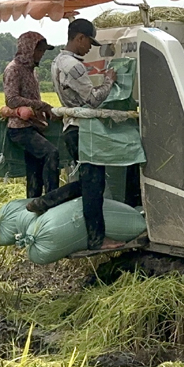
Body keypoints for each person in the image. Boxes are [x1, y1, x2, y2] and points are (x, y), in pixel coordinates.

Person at [46, 18, 122, 251]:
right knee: (93, 184)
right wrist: (109, 81)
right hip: (83, 129)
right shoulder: (75, 67)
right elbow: (93, 99)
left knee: (88, 181)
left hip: (70, 128)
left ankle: (46, 201)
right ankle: (97, 239)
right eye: (89, 42)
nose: (90, 47)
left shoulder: (58, 62)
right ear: (79, 38)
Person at [3, 31, 56, 200]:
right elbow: (11, 100)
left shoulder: (32, 70)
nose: (41, 55)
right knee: (51, 153)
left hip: (34, 125)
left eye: (42, 52)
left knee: (35, 169)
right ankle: (51, 199)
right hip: (20, 128)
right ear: (28, 49)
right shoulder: (14, 70)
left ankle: (33, 201)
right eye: (39, 51)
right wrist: (42, 106)